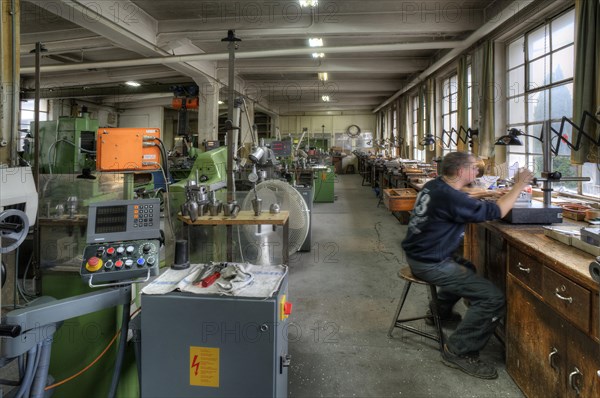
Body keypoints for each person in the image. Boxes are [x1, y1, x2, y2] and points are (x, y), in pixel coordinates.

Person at [401, 151, 534, 380]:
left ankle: (438, 313)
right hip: (430, 263)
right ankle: (458, 351)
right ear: (461, 171)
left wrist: (493, 191)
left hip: (420, 255)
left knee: (467, 267)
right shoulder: (451, 198)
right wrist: (519, 185)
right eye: (475, 168)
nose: (478, 172)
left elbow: (464, 193)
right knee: (492, 298)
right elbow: (498, 211)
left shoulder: (436, 186)